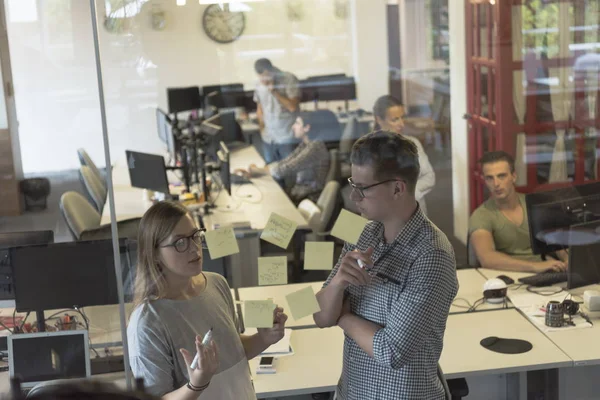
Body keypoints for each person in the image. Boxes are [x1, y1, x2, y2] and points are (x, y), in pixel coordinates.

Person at [313, 131, 458, 400]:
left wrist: (344, 317)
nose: (354, 197)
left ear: (397, 188)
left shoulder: (432, 254)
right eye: (352, 184)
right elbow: (320, 317)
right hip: (352, 392)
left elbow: (392, 352)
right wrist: (336, 284)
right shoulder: (362, 233)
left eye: (363, 189)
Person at [127, 201, 288, 399]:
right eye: (180, 242)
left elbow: (232, 351)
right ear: (155, 254)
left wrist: (263, 339)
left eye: (195, 236)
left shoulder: (216, 283)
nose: (194, 249)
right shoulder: (146, 322)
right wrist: (195, 385)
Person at [469, 151, 568, 272]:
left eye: (501, 176)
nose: (496, 184)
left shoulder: (534, 204)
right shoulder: (481, 215)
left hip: (546, 270)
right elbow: (487, 258)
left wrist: (567, 259)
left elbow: (556, 242)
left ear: (513, 176)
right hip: (508, 274)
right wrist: (534, 266)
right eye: (490, 178)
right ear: (484, 180)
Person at [237, 110, 333, 203]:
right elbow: (285, 162)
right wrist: (258, 170)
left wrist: (257, 171)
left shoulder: (315, 147)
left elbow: (286, 169)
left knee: (267, 209)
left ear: (307, 128)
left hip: (307, 200)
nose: (293, 126)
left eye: (297, 123)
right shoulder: (306, 143)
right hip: (298, 195)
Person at [372, 95, 436, 214]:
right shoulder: (368, 149)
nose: (401, 124)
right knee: (344, 229)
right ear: (379, 120)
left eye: (402, 118)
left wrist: (408, 195)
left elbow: (429, 177)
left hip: (410, 211)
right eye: (395, 119)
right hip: (378, 212)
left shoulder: (413, 143)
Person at [253, 58, 301, 163]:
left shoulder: (289, 79)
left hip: (286, 136)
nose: (263, 80)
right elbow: (260, 108)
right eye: (260, 76)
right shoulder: (258, 84)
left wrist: (274, 91)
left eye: (265, 76)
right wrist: (262, 130)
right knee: (271, 173)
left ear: (271, 70)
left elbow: (292, 107)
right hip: (268, 138)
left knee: (289, 170)